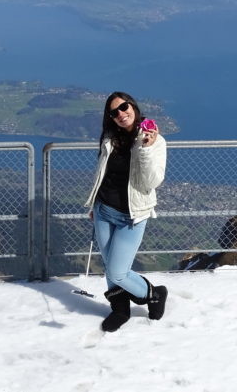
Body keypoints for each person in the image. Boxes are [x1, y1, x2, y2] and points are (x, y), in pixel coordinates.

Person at [83, 91, 168, 332]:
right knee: (110, 266)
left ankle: (153, 294)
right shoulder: (110, 138)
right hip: (103, 211)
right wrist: (94, 205)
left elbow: (152, 181)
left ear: (134, 106)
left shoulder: (155, 141)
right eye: (114, 112)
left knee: (118, 272)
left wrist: (146, 148)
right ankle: (120, 309)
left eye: (124, 107)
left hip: (132, 217)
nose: (121, 114)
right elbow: (102, 174)